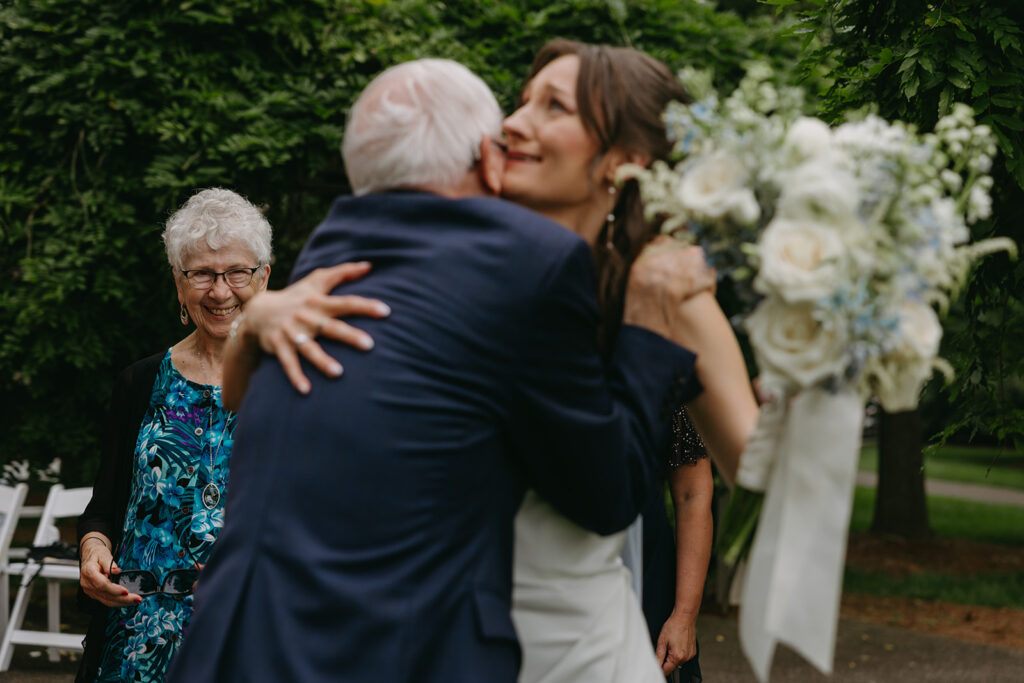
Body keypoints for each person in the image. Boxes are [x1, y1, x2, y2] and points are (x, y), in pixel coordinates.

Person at [166, 59, 708, 683]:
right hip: (389, 648)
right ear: (488, 156)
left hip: (230, 644)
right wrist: (647, 331)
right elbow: (609, 494)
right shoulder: (532, 261)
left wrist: (252, 328)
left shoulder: (331, 252)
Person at [74, 188, 388, 683]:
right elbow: (106, 505)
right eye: (200, 274)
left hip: (258, 642)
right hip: (135, 646)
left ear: (264, 277)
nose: (220, 292)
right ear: (178, 285)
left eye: (236, 272)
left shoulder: (302, 381)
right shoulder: (139, 382)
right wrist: (93, 549)